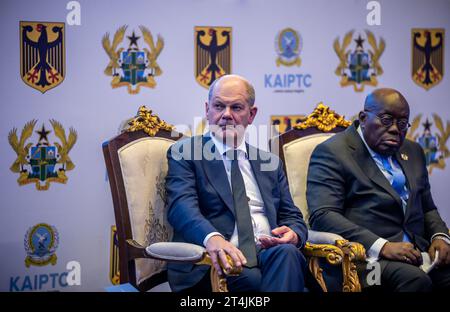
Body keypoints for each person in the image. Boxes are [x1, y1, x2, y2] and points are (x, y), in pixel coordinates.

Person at [165, 74, 308, 292]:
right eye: (219, 106)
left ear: (251, 115)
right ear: (207, 109)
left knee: (289, 254)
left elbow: (291, 215)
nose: (226, 115)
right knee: (259, 281)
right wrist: (212, 238)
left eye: (236, 108)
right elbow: (181, 207)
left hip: (267, 252)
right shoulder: (186, 153)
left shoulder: (269, 162)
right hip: (214, 261)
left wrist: (294, 233)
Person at [307, 88, 450, 291]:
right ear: (364, 118)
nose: (394, 129)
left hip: (420, 253)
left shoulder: (413, 151)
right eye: (386, 120)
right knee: (415, 280)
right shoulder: (333, 152)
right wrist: (382, 246)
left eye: (402, 124)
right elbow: (323, 215)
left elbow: (426, 207)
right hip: (366, 260)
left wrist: (440, 237)